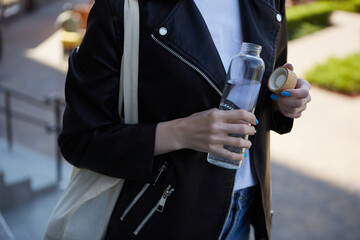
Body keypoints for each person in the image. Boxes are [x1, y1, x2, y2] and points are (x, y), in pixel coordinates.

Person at [58, 0, 311, 239]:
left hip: (245, 209)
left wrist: (282, 102)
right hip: (162, 218)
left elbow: (266, 86)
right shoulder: (123, 6)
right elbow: (80, 139)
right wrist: (180, 132)